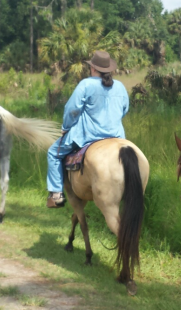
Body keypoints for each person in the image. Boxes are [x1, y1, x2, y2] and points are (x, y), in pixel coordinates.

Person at [46, 50, 129, 208]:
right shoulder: (120, 86)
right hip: (118, 136)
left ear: (93, 69)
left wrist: (65, 127)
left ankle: (56, 194)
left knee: (53, 153)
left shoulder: (86, 84)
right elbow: (124, 110)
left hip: (88, 135)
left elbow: (72, 110)